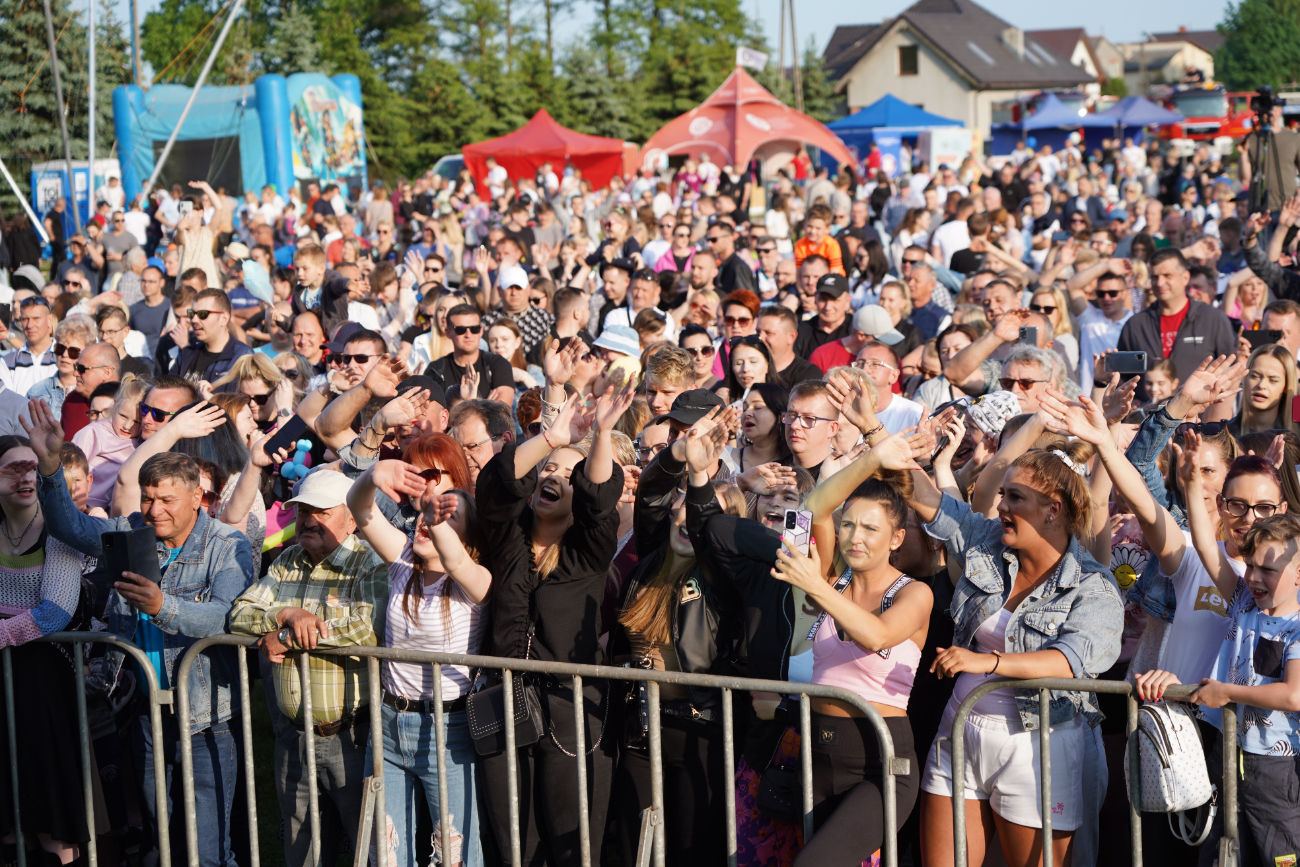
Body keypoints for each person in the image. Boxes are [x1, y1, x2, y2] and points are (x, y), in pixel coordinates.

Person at [874, 418, 1122, 867]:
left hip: (1038, 744)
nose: (1001, 505)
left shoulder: (1093, 586)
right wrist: (872, 428)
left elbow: (1069, 662)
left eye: (1015, 497)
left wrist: (987, 662)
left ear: (1054, 509)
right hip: (961, 730)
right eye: (1003, 493)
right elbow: (929, 500)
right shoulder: (988, 543)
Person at [26, 400, 254, 867]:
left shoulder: (227, 545)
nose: (153, 510)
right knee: (164, 845)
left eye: (166, 500)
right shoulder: (133, 531)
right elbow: (70, 527)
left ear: (196, 497)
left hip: (205, 719)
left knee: (207, 852)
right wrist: (49, 467)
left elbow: (224, 619)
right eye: (148, 498)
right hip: (148, 715)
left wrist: (161, 606)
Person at [474, 370, 635, 866]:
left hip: (572, 706)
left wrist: (601, 435)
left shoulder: (588, 551)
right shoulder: (508, 540)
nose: (553, 476)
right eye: (549, 469)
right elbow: (495, 486)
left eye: (568, 475)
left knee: (572, 842)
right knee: (514, 845)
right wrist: (551, 439)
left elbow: (600, 501)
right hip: (505, 698)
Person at [770, 433, 931, 866]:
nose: (854, 537)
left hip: (881, 763)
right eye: (848, 524)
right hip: (817, 753)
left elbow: (876, 636)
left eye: (870, 528)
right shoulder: (832, 579)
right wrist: (874, 458)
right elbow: (810, 509)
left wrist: (814, 585)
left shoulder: (914, 594)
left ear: (896, 539)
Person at [608, 406, 747, 865]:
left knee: (692, 852)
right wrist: (678, 454)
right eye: (683, 506)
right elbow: (650, 493)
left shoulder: (722, 579)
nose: (690, 521)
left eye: (705, 516)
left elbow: (708, 533)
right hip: (639, 727)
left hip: (698, 731)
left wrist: (704, 473)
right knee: (631, 849)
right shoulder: (651, 557)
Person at [229, 469, 388, 867]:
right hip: (293, 738)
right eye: (302, 510)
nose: (307, 520)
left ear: (351, 519)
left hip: (353, 737)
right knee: (302, 851)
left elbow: (367, 628)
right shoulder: (287, 559)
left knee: (367, 850)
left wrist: (285, 635)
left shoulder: (368, 562)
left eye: (321, 511)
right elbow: (240, 613)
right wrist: (285, 612)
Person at [348, 451, 489, 867]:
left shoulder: (474, 581)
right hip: (389, 725)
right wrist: (373, 474)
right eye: (428, 513)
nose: (430, 522)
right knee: (386, 854)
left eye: (449, 515)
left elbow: (455, 560)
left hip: (448, 731)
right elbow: (359, 508)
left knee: (455, 855)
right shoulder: (403, 561)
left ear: (469, 536)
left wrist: (433, 514)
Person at [0, 435, 89, 865]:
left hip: (44, 686)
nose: (25, 477)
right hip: (1, 684)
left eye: (31, 467)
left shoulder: (62, 530)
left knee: (49, 814)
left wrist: (0, 634)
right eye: (12, 468)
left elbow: (55, 612)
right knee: (10, 819)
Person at [1117, 249, 1235, 402]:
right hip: (1148, 421)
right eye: (1154, 277)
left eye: (1167, 276)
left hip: (1198, 419)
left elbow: (1229, 372)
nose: (1159, 283)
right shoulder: (1136, 325)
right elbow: (1121, 377)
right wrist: (1134, 402)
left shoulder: (1213, 319)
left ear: (1185, 277)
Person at [71, 374, 147, 511]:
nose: (127, 426)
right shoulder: (94, 433)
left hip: (119, 509)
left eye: (137, 422)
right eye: (123, 416)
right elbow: (70, 467)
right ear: (115, 405)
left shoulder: (143, 442)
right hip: (84, 505)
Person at [425, 305, 515, 403]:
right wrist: (484, 405)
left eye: (474, 329)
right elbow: (432, 414)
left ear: (481, 331)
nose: (468, 334)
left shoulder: (498, 364)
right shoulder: (436, 369)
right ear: (448, 332)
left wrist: (456, 408)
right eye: (460, 330)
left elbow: (502, 412)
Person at [166, 288, 253, 383]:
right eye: (192, 314)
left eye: (203, 314)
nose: (194, 320)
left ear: (224, 319)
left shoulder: (243, 358)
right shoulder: (186, 354)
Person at [27, 315, 96, 419]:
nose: (64, 354)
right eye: (60, 348)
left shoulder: (95, 394)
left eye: (73, 351)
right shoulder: (36, 392)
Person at [856, 340, 925, 433]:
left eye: (876, 364)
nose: (864, 369)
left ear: (893, 375)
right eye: (860, 363)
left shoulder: (914, 414)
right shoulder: (844, 409)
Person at [1231, 344, 1299, 436]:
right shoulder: (1226, 435)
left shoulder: (1297, 438)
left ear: (1287, 386)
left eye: (1273, 380)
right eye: (1254, 376)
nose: (1261, 385)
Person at [783, 380, 842, 482]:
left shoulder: (847, 475)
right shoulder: (772, 475)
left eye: (809, 418)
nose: (794, 425)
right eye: (791, 415)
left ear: (832, 429)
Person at [448, 399, 515, 487]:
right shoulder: (453, 496)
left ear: (505, 440)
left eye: (471, 447)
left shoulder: (526, 492)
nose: (463, 457)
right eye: (459, 449)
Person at [60, 343, 120, 440]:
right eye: (76, 367)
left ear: (106, 372)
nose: (75, 373)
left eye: (82, 369)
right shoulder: (72, 401)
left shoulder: (127, 405)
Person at [757, 305, 822, 389]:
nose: (760, 338)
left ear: (791, 336)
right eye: (758, 332)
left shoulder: (808, 374)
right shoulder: (747, 369)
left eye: (769, 333)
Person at [3, 298, 57, 397]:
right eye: (25, 319)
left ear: (50, 320)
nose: (29, 325)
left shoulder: (66, 357)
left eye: (36, 318)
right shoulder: (7, 363)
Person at [732, 382, 791, 471]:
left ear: (780, 417)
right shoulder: (727, 457)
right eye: (745, 409)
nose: (747, 413)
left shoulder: (796, 461)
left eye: (758, 407)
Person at [794, 274, 854, 359]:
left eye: (835, 300)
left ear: (847, 300)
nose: (828, 307)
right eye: (823, 299)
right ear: (815, 298)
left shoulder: (857, 331)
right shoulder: (801, 331)